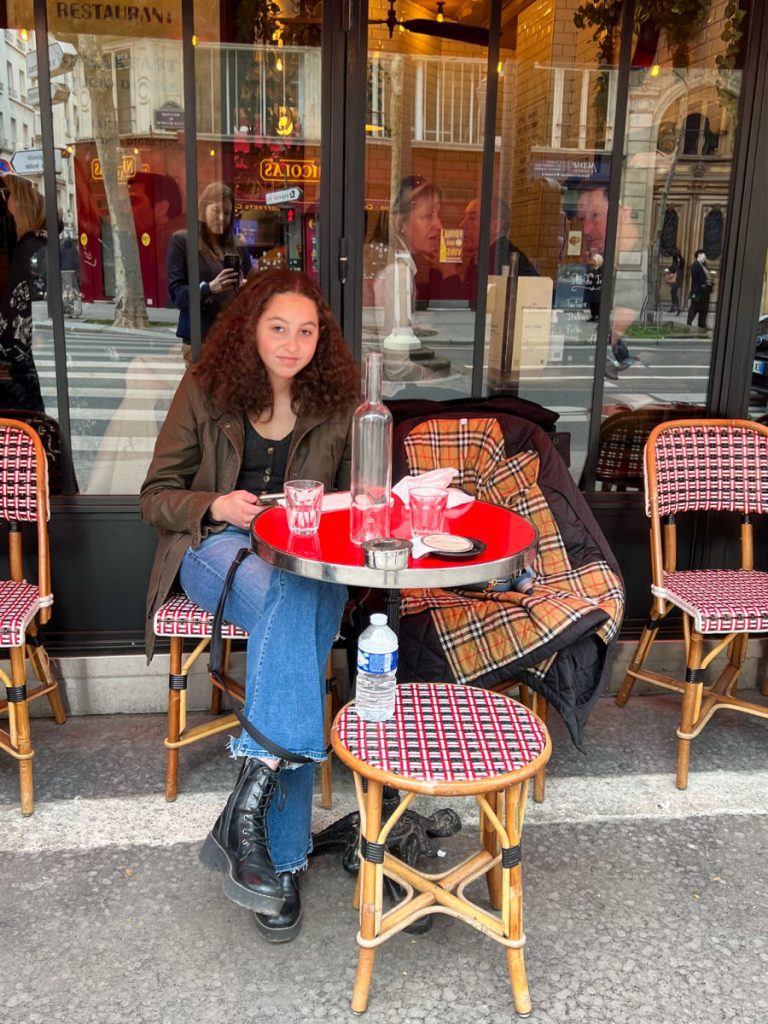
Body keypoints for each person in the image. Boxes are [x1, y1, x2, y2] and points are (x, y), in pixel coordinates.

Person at [140, 269, 360, 942]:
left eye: (306, 331)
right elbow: (156, 496)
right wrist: (215, 503)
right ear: (249, 330)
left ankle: (259, 834)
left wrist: (333, 512)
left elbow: (357, 505)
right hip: (218, 548)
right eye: (277, 328)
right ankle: (279, 849)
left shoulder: (339, 404)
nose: (292, 344)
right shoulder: (207, 388)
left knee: (297, 602)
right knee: (300, 613)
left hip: (304, 557)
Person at [166, 181, 251, 354]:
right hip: (200, 336)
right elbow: (177, 294)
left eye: (227, 213)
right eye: (216, 211)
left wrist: (245, 288)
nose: (222, 218)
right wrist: (209, 288)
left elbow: (253, 285)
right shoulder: (182, 241)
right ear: (203, 211)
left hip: (233, 336)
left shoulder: (237, 246)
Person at [373, 174, 443, 339]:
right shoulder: (398, 272)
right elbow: (397, 360)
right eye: (428, 216)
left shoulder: (399, 266)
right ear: (401, 223)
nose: (439, 225)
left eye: (438, 215)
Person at [0, 174, 48, 412]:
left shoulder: (27, 247)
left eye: (5, 198)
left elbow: (12, 329)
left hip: (13, 377)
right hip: (22, 373)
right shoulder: (38, 243)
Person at [459, 196, 538, 306]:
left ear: (496, 227)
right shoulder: (483, 257)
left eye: (472, 218)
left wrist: (448, 271)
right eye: (465, 217)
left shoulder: (503, 260)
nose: (462, 225)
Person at [686, 248, 713, 329]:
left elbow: (707, 276)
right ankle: (688, 323)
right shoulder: (695, 265)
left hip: (705, 291)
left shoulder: (704, 265)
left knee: (704, 309)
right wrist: (702, 285)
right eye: (704, 255)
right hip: (698, 291)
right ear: (699, 255)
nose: (705, 257)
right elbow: (695, 278)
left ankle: (702, 324)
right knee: (694, 308)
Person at [665, 247, 685, 315]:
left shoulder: (680, 260)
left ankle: (678, 308)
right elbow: (674, 267)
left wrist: (669, 268)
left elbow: (677, 268)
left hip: (677, 278)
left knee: (674, 292)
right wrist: (669, 268)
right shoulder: (675, 259)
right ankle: (674, 307)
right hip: (676, 278)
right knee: (673, 292)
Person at [585, 252, 603, 322]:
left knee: (598, 303)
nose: (593, 262)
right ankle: (593, 315)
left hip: (598, 289)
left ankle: (598, 316)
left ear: (599, 261)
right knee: (592, 303)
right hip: (592, 289)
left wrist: (593, 277)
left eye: (595, 260)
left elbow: (600, 278)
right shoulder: (592, 268)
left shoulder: (601, 269)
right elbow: (588, 277)